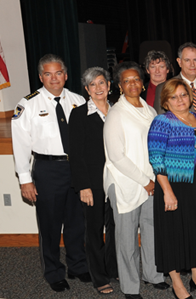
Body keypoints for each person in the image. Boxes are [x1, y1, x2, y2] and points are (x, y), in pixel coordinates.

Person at [12, 54, 88, 292]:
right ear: (40, 76)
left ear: (65, 75)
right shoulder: (28, 104)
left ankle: (78, 266)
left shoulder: (79, 100)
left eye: (58, 73)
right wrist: (25, 180)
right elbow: (20, 144)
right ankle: (54, 271)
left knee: (77, 222)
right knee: (50, 224)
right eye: (48, 74)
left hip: (76, 168)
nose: (54, 78)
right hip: (47, 169)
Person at [103, 61, 167, 298]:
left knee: (151, 231)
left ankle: (153, 275)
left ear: (143, 83)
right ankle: (130, 287)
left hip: (150, 181)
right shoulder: (116, 114)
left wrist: (155, 179)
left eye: (136, 79)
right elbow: (117, 157)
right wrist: (144, 181)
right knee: (127, 238)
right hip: (125, 183)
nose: (133, 84)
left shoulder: (149, 110)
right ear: (120, 86)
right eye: (127, 80)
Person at [147, 78, 196, 299]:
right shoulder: (161, 121)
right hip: (173, 184)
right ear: (166, 102)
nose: (180, 100)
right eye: (173, 97)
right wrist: (167, 191)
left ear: (191, 96)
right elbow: (156, 159)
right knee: (173, 233)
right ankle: (176, 282)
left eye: (183, 95)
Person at [68, 67, 118, 295]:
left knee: (116, 228)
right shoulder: (79, 115)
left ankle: (112, 269)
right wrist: (83, 186)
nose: (98, 88)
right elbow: (75, 155)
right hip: (93, 183)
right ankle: (99, 277)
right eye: (92, 84)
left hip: (117, 181)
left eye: (101, 83)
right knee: (95, 230)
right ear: (87, 89)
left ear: (109, 85)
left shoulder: (118, 110)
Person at [155, 42, 196, 115]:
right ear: (179, 62)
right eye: (187, 60)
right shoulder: (163, 88)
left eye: (195, 60)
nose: (192, 64)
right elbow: (161, 121)